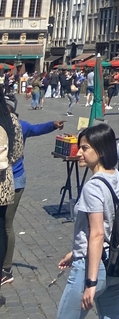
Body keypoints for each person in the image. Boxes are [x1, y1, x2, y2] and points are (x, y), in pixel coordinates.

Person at [55, 123, 119, 319]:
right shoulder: (117, 177)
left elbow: (97, 233)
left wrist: (90, 283)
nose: (79, 153)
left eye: (85, 148)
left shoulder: (92, 187)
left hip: (91, 267)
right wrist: (74, 252)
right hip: (114, 264)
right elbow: (111, 223)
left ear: (100, 151)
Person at [4, 102, 64, 285]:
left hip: (15, 181)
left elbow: (38, 128)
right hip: (8, 181)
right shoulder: (19, 125)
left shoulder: (18, 126)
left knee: (6, 223)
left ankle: (6, 270)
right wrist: (53, 124)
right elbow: (37, 128)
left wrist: (53, 125)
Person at [0, 91, 23, 305]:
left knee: (3, 228)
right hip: (4, 182)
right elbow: (16, 153)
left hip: (4, 181)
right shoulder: (11, 120)